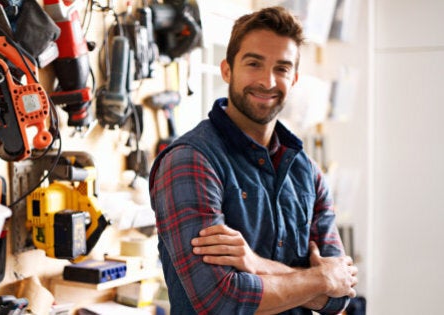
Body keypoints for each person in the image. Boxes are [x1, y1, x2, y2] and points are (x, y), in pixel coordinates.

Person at [148, 6, 358, 315]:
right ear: (227, 70)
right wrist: (320, 279)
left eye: (282, 68)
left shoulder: (308, 174)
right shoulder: (190, 161)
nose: (268, 81)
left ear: (295, 78)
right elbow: (222, 300)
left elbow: (341, 296)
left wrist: (256, 264)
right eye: (254, 63)